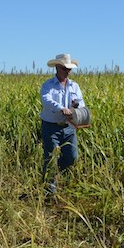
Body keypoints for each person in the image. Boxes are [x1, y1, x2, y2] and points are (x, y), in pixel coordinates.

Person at [40, 53, 86, 195]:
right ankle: (49, 189)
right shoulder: (48, 85)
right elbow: (46, 100)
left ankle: (50, 172)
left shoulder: (74, 86)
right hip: (50, 126)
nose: (68, 72)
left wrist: (76, 105)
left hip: (69, 127)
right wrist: (61, 108)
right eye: (65, 69)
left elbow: (81, 102)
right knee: (51, 156)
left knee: (72, 157)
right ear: (58, 68)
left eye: (69, 69)